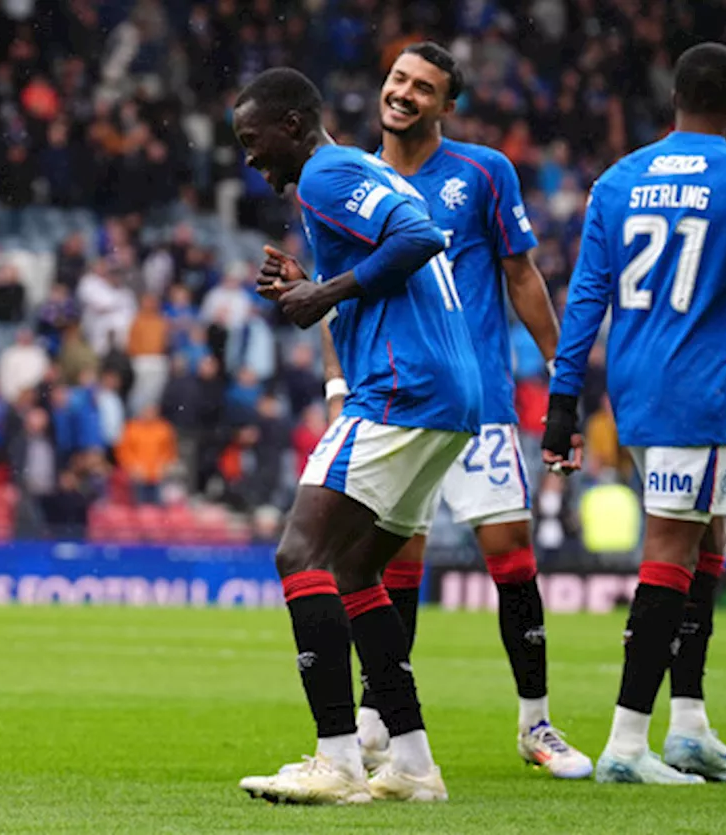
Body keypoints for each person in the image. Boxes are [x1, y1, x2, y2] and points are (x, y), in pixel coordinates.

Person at [342, 42, 590, 778]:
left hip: (478, 398)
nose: (404, 94)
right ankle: (376, 721)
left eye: (423, 87)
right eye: (397, 80)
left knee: (511, 557)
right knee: (393, 567)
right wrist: (339, 393)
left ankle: (536, 724)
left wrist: (563, 381)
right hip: (393, 400)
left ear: (447, 105)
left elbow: (522, 277)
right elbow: (342, 296)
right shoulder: (354, 180)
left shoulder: (484, 172)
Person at [232, 67, 480, 805]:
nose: (249, 158)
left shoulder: (328, 171)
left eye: (254, 140)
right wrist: (314, 279)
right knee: (358, 572)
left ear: (295, 127)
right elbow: (395, 256)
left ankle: (337, 759)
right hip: (449, 391)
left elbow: (421, 236)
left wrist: (323, 291)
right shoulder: (360, 172)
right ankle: (411, 762)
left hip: (403, 388)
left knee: (298, 550)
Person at [544, 42, 726, 784]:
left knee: (707, 539)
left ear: (674, 97)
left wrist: (561, 401)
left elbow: (584, 299)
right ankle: (626, 742)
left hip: (636, 387)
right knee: (673, 551)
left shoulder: (618, 179)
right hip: (693, 389)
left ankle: (690, 726)